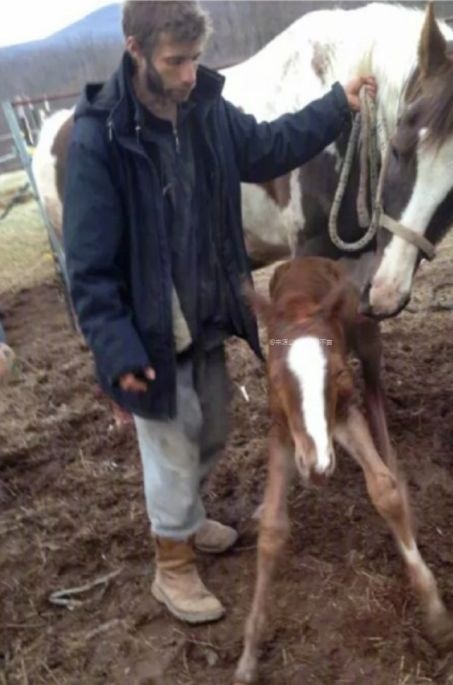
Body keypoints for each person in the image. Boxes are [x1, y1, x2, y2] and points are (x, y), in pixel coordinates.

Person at [63, 0, 376, 625]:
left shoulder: (204, 110)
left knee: (210, 429)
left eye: (195, 60)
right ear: (135, 51)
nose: (187, 75)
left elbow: (269, 146)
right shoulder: (100, 135)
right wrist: (116, 350)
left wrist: (336, 105)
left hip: (204, 311)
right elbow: (90, 265)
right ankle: (171, 565)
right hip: (145, 326)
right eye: (174, 62)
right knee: (172, 442)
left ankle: (190, 515)